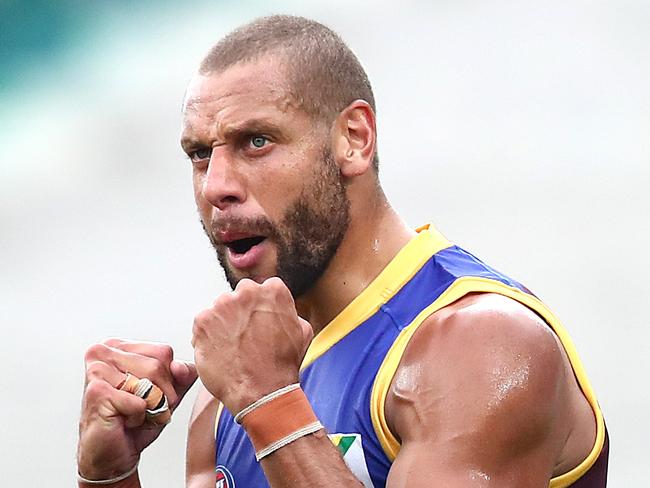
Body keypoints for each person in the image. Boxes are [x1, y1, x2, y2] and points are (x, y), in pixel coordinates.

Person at [76, 15, 608, 488]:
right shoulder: (226, 395)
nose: (216, 185)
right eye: (199, 155)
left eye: (256, 142)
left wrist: (270, 404)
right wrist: (109, 476)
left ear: (354, 138)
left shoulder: (481, 348)